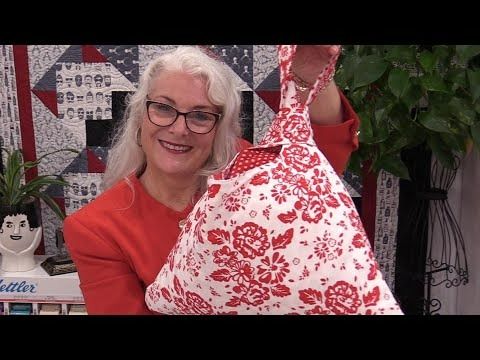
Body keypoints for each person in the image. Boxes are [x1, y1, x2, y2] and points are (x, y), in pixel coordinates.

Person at [63, 45, 360, 314]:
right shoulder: (96, 228)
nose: (179, 129)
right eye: (164, 108)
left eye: (201, 116)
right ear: (140, 116)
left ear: (221, 128)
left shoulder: (247, 176)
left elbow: (320, 161)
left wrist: (311, 76)